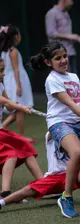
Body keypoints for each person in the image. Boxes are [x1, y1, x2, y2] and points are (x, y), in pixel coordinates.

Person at [30, 41, 80, 219]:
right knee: (77, 153)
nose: (63, 60)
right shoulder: (52, 80)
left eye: (65, 56)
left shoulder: (74, 77)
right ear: (48, 62)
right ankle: (66, 197)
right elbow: (69, 102)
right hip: (59, 123)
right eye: (57, 58)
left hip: (77, 122)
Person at [0, 132, 80, 209]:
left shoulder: (74, 138)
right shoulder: (51, 135)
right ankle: (2, 202)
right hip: (52, 178)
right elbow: (53, 129)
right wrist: (59, 120)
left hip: (69, 175)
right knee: (27, 190)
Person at [0, 58, 43, 199]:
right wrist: (21, 107)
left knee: (24, 147)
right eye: (0, 71)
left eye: (3, 70)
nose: (3, 74)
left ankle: (43, 184)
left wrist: (17, 105)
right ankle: (5, 194)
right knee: (11, 154)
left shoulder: (0, 85)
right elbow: (5, 101)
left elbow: (8, 104)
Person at [0, 25, 34, 141]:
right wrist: (18, 85)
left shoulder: (5, 51)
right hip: (15, 80)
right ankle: (22, 136)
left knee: (17, 108)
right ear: (15, 37)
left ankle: (3, 127)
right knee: (19, 109)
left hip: (10, 80)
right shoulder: (13, 51)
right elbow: (16, 69)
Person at [45, 0, 80, 73]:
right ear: (65, 0)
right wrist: (70, 36)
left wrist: (74, 38)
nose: (72, 3)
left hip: (70, 51)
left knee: (73, 79)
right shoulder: (52, 13)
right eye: (71, 0)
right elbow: (51, 33)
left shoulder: (66, 14)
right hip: (59, 54)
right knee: (64, 80)